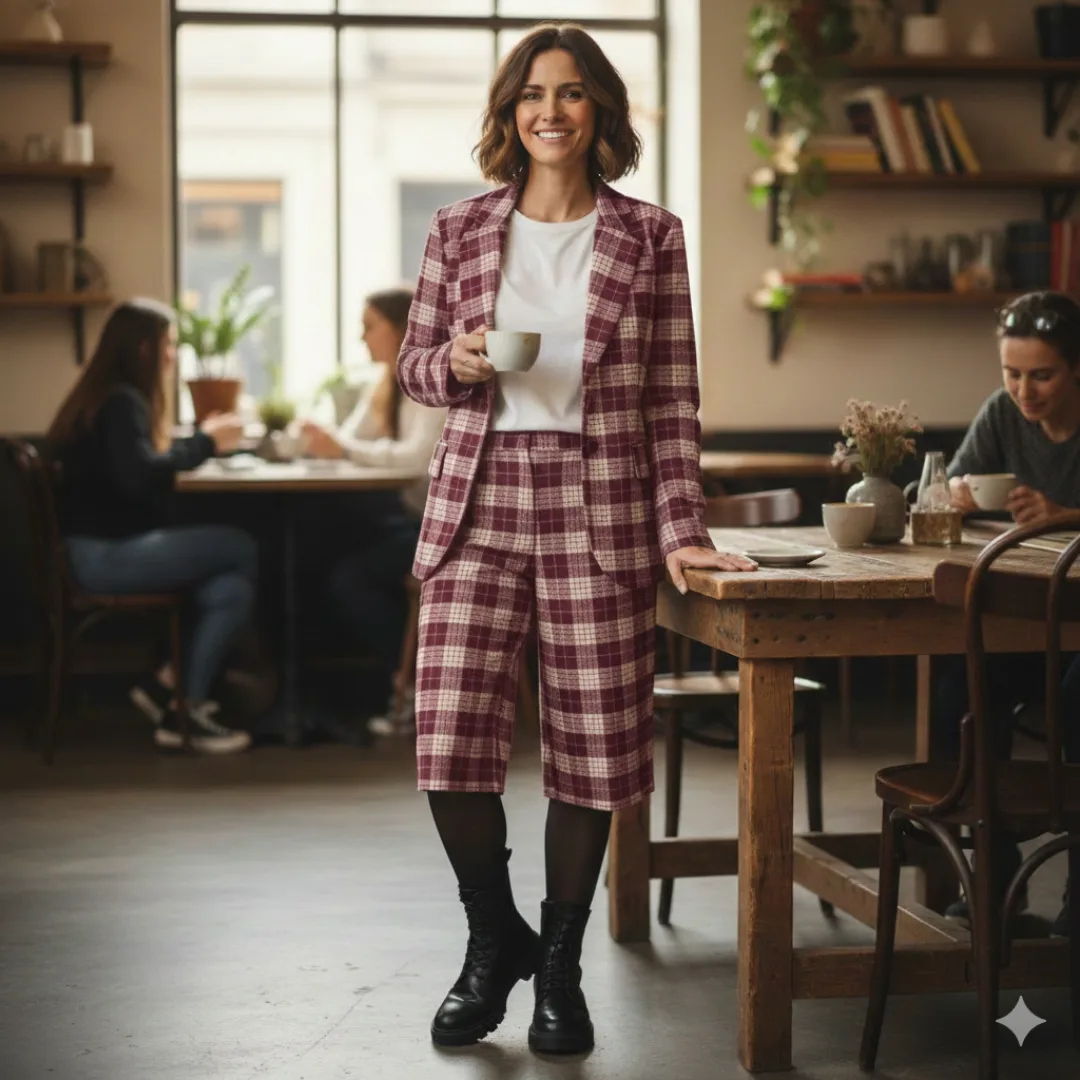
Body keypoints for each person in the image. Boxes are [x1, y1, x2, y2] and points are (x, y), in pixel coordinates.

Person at [395, 23, 756, 1054]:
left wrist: (682, 529)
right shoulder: (458, 228)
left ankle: (559, 966)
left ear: (599, 110)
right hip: (478, 500)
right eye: (531, 95)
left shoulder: (652, 236)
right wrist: (457, 362)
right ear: (510, 114)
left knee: (593, 754)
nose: (548, 111)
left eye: (569, 93)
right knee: (448, 743)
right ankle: (492, 940)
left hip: (600, 509)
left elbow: (672, 401)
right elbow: (415, 367)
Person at [48, 298, 257, 754]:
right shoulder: (121, 402)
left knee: (230, 589)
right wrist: (206, 442)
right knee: (240, 547)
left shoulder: (104, 397)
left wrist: (197, 443)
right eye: (168, 345)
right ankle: (176, 695)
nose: (172, 356)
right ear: (144, 349)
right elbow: (139, 477)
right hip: (103, 557)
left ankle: (174, 697)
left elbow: (134, 470)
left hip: (90, 550)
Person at [935, 289, 1080, 935]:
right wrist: (956, 495)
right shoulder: (1003, 413)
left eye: (1042, 375)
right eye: (1011, 373)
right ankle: (992, 876)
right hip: (1034, 626)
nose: (1024, 391)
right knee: (962, 687)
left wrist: (1065, 516)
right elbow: (937, 488)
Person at [300, 287, 445, 736]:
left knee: (349, 576)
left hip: (446, 530)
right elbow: (347, 438)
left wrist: (341, 448)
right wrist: (304, 441)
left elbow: (414, 460)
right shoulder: (386, 383)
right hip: (411, 520)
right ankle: (320, 693)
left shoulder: (431, 383)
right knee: (321, 551)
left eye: (369, 327)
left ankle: (415, 686)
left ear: (401, 329)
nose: (362, 338)